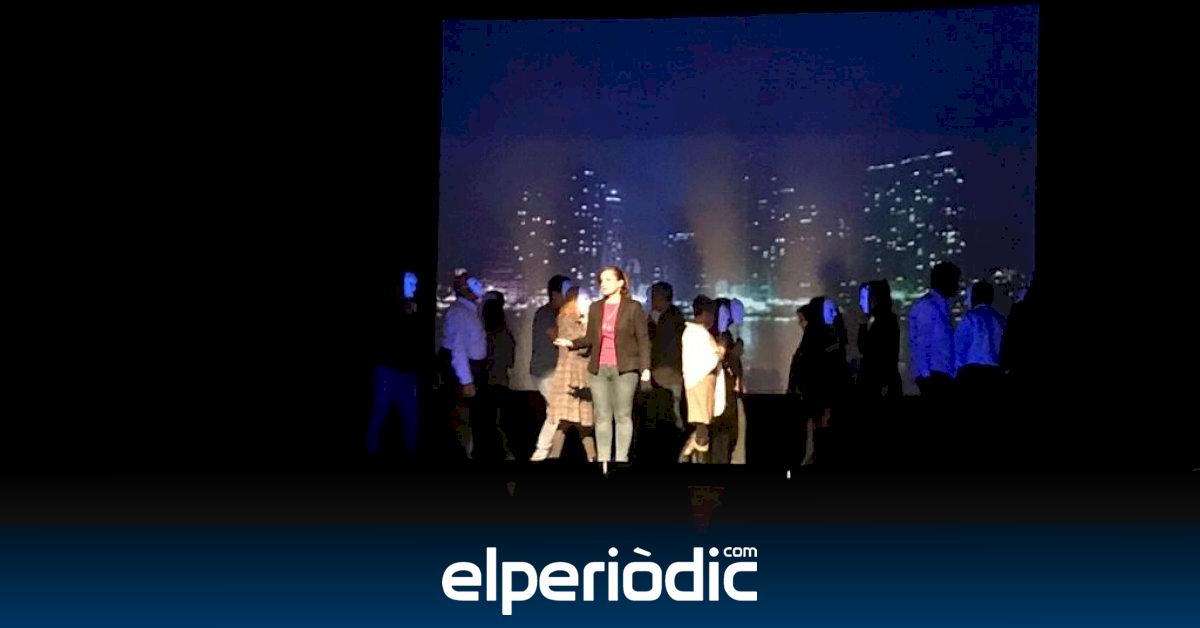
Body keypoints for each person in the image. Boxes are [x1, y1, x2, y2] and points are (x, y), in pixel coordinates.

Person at [554, 266, 650, 472]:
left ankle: (621, 460)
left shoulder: (633, 307)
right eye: (601, 281)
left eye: (608, 280)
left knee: (622, 415)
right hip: (599, 369)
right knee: (602, 416)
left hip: (625, 368)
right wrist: (572, 343)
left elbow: (643, 339)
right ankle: (604, 463)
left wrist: (645, 369)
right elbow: (590, 338)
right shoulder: (596, 307)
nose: (603, 284)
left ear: (620, 283)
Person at [438, 271, 487, 459]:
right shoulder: (460, 313)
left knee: (471, 417)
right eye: (473, 283)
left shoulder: (468, 311)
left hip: (471, 368)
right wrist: (466, 381)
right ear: (464, 289)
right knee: (463, 417)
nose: (479, 286)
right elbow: (458, 350)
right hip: (464, 371)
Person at [546, 286, 596, 461]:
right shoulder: (568, 318)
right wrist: (588, 323)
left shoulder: (572, 318)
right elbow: (582, 344)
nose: (588, 303)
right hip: (572, 373)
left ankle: (591, 457)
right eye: (584, 299)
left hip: (577, 372)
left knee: (575, 422)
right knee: (572, 421)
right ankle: (591, 457)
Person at [529, 275, 573, 461]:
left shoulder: (557, 314)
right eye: (566, 293)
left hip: (554, 371)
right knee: (557, 411)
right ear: (555, 294)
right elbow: (556, 337)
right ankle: (541, 451)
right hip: (546, 371)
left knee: (560, 416)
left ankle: (552, 454)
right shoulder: (546, 314)